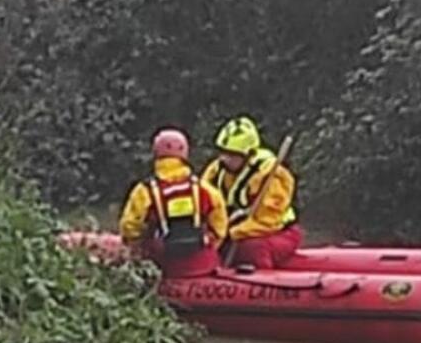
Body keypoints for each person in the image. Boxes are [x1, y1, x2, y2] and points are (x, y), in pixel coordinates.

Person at [119, 128, 227, 278]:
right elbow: (220, 229)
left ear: (156, 154)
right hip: (203, 266)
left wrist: (137, 250)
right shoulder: (206, 190)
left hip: (165, 266)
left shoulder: (144, 191)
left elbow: (129, 228)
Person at [202, 116, 303, 269]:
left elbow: (268, 221)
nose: (224, 159)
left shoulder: (271, 176)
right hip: (232, 231)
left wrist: (234, 232)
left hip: (277, 232)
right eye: (222, 152)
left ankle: (263, 286)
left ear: (248, 155)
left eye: (232, 155)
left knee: (251, 249)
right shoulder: (216, 172)